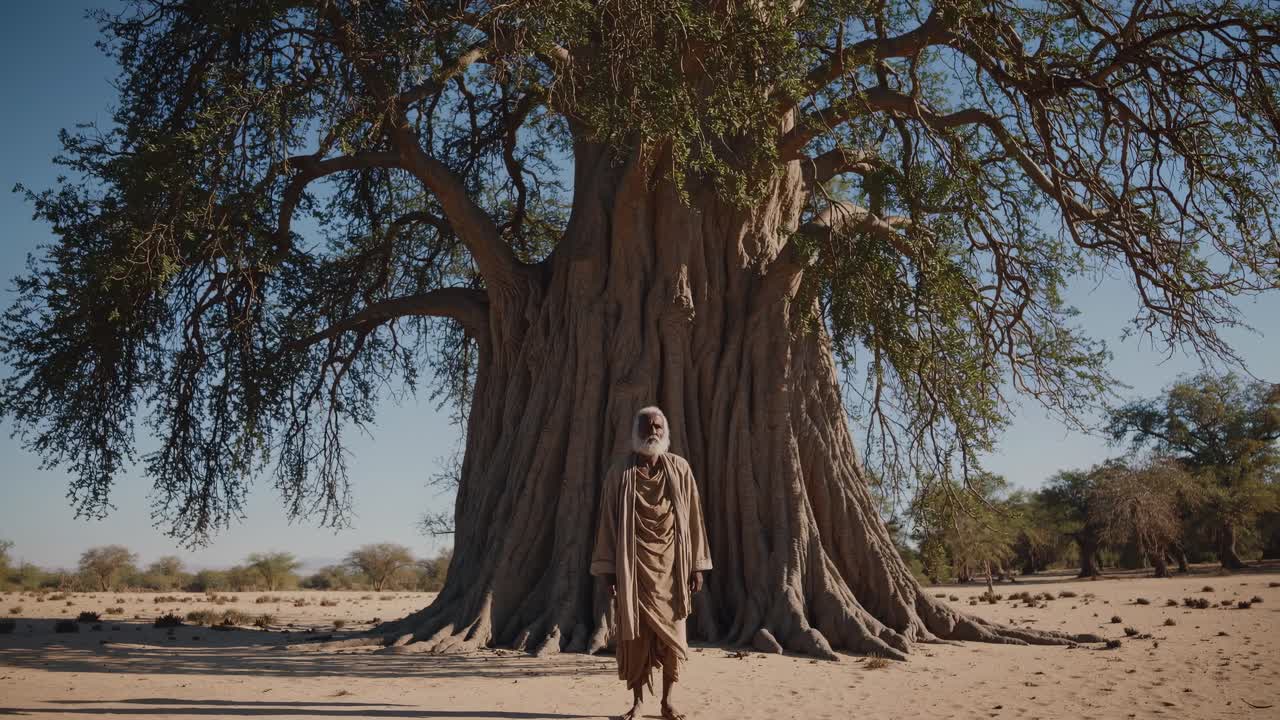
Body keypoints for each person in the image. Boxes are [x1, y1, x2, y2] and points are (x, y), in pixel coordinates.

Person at [591, 406, 713, 720]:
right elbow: (607, 522)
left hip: (673, 570)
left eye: (658, 427)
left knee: (673, 636)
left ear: (666, 431)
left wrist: (697, 565)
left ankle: (668, 702)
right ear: (635, 434)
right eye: (646, 428)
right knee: (635, 638)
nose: (652, 433)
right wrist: (607, 569)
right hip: (633, 572)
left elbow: (695, 519)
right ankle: (638, 703)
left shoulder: (680, 469)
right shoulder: (620, 472)